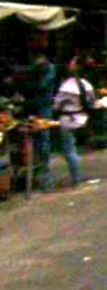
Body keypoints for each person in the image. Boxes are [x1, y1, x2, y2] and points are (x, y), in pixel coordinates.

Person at [53, 56, 95, 187]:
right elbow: (92, 102)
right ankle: (78, 175)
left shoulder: (67, 87)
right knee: (75, 149)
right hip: (82, 118)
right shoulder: (87, 85)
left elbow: (57, 105)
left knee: (69, 150)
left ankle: (76, 177)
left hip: (68, 120)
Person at [23, 51, 56, 190]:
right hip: (35, 106)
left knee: (43, 138)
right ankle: (38, 171)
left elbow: (41, 85)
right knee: (37, 140)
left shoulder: (48, 69)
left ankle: (45, 174)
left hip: (43, 106)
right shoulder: (36, 69)